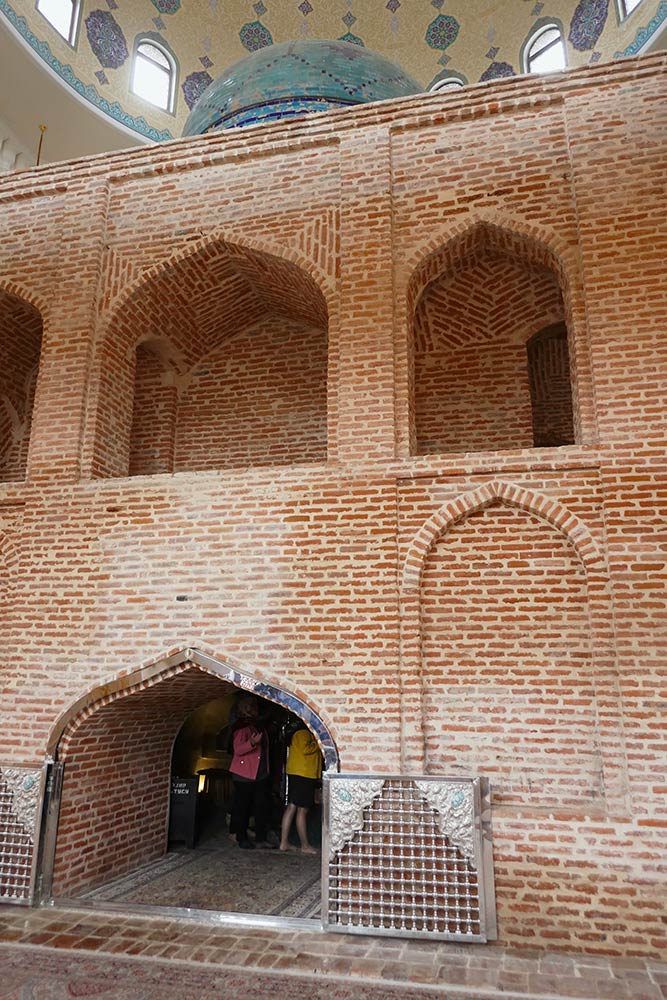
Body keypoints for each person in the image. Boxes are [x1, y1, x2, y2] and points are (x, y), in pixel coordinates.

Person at [228, 696, 275, 850]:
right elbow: (238, 750)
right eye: (253, 707)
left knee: (261, 806)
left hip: (259, 773)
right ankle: (241, 837)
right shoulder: (242, 727)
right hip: (244, 774)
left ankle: (261, 839)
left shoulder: (256, 725)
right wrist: (252, 743)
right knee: (243, 807)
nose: (256, 710)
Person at [280, 724, 323, 854]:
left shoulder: (295, 733)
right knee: (302, 810)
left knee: (292, 807)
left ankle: (284, 842)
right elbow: (306, 749)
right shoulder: (303, 733)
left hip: (298, 773)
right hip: (304, 774)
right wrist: (319, 742)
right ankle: (305, 845)